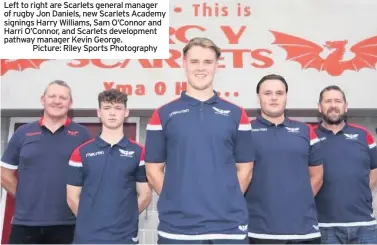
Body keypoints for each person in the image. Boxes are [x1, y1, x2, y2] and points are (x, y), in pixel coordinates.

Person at [144, 37, 254, 244]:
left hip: (228, 227)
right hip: (177, 228)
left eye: (207, 62)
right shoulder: (163, 114)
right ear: (184, 63)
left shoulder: (237, 114)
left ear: (217, 66)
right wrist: (176, 199)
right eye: (194, 62)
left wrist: (226, 201)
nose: (201, 68)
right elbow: (153, 170)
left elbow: (245, 170)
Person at [0, 80, 92, 244]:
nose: (57, 101)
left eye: (63, 97)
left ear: (70, 103)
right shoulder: (23, 132)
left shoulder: (82, 134)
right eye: (52, 96)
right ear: (43, 99)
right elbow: (4, 173)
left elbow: (92, 175)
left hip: (68, 225)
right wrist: (24, 195)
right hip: (24, 224)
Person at [245, 74, 324, 244]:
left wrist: (297, 201)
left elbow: (317, 176)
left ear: (286, 97)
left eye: (279, 93)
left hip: (303, 231)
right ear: (258, 98)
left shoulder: (306, 131)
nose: (274, 98)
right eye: (267, 93)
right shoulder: (244, 131)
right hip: (258, 231)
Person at [66, 89, 152, 244]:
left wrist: (126, 219)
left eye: (118, 108)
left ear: (126, 112)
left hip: (124, 237)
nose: (112, 113)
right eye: (107, 108)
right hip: (87, 238)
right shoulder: (81, 152)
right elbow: (72, 197)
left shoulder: (139, 152)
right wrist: (90, 221)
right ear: (99, 112)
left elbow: (145, 195)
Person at [314, 85, 377, 244]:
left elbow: (375, 168)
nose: (333, 105)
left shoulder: (364, 135)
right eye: (328, 101)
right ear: (320, 107)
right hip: (323, 226)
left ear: (345, 106)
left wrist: (360, 188)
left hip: (364, 225)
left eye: (338, 101)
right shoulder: (309, 135)